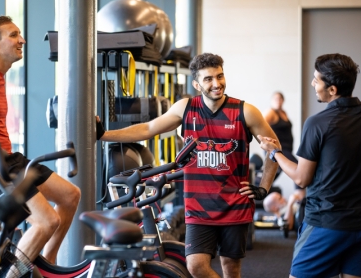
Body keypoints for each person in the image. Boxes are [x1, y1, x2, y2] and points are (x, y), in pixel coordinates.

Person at [96, 52, 279, 278]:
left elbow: (274, 149)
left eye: (220, 76)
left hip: (235, 206)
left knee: (231, 269)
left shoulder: (245, 111)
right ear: (196, 83)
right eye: (208, 79)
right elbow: (148, 129)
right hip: (198, 207)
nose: (216, 84)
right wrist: (104, 135)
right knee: (196, 266)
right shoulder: (186, 108)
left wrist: (263, 187)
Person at [0, 16, 81, 264]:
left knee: (70, 195)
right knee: (46, 221)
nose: (22, 40)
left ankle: (48, 264)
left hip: (8, 161)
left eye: (19, 34)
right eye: (13, 35)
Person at [258, 53, 361, 278]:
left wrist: (274, 153)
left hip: (327, 222)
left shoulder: (317, 123)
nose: (313, 83)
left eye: (317, 80)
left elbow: (301, 178)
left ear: (332, 89)